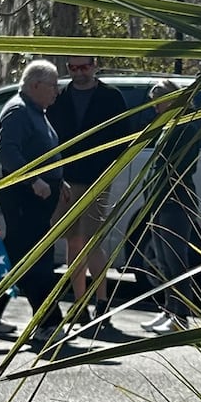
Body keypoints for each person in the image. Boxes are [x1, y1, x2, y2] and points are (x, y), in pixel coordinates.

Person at [48, 56, 130, 321]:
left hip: (97, 179)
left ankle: (102, 300)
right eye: (73, 68)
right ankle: (80, 303)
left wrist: (109, 169)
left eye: (84, 67)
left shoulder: (111, 97)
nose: (79, 73)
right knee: (72, 240)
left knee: (91, 241)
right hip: (66, 180)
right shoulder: (60, 98)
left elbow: (123, 137)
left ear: (94, 66)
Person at [137, 80, 201, 335]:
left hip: (176, 199)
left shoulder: (186, 126)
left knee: (175, 257)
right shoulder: (167, 126)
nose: (157, 108)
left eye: (160, 102)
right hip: (158, 199)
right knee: (162, 258)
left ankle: (181, 315)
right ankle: (169, 308)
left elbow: (182, 164)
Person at [0, 59, 63, 334]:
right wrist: (34, 180)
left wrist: (60, 179)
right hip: (23, 196)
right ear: (35, 85)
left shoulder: (37, 111)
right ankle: (48, 321)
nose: (56, 92)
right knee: (36, 258)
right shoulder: (18, 111)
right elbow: (8, 153)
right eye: (53, 86)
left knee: (14, 256)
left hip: (40, 196)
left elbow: (42, 150)